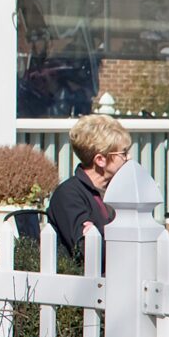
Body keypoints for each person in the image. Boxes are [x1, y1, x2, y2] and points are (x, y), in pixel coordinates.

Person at [46, 113, 130, 263]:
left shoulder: (120, 190)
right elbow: (87, 250)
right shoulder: (68, 195)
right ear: (100, 160)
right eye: (123, 153)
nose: (129, 157)